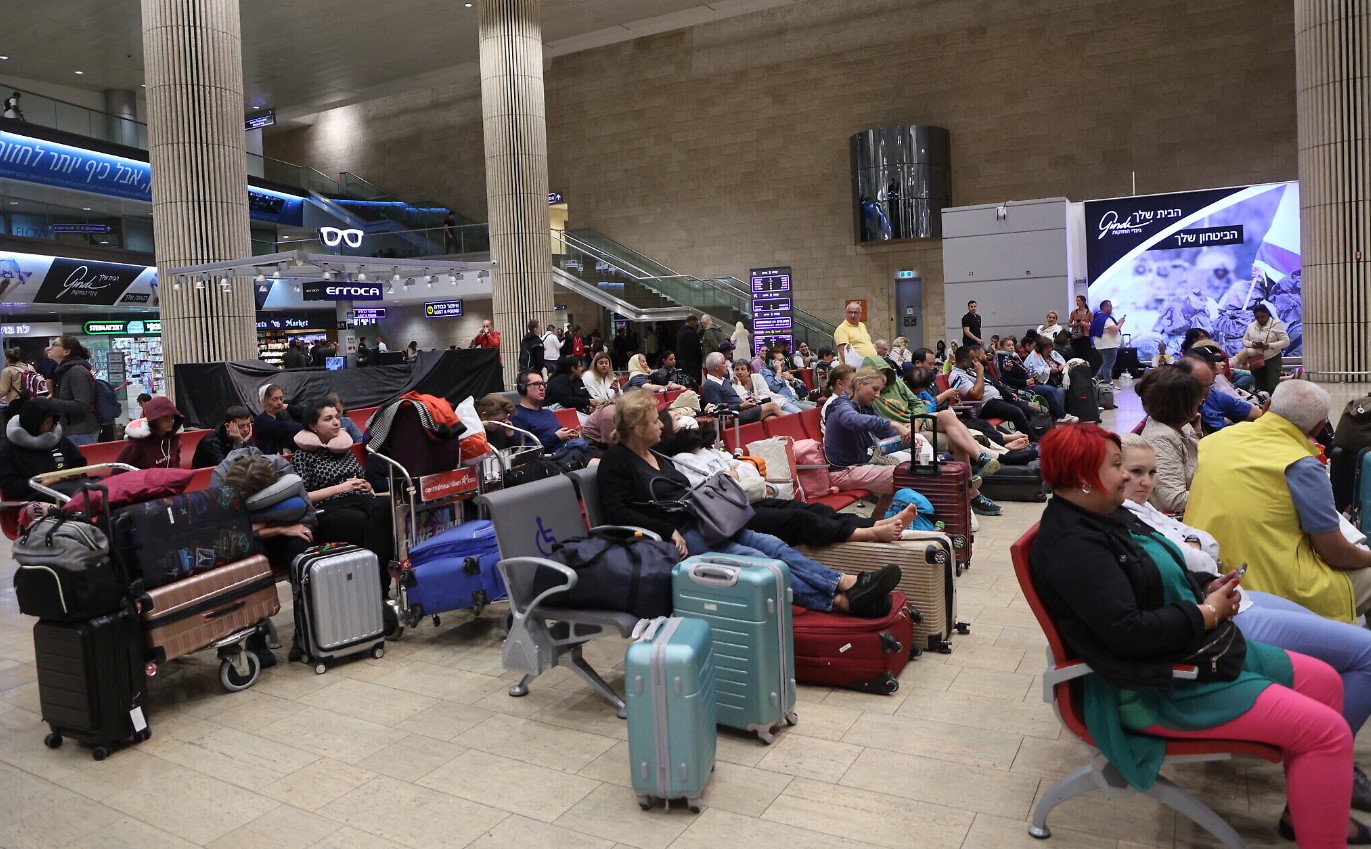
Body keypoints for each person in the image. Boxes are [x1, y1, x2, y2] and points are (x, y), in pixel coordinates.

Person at [1031, 423, 1361, 846]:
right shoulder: (1075, 544)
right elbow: (1129, 633)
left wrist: (1203, 589)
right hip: (1153, 687)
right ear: (1082, 478)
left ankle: (1311, 812)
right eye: (1117, 466)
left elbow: (1149, 579)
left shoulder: (1103, 515)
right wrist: (1207, 613)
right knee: (1328, 733)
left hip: (1187, 654)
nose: (1127, 476)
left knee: (1327, 682)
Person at [1120, 432, 1371, 811]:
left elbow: (1202, 543)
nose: (1146, 482)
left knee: (1345, 648)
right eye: (1134, 472)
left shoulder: (1148, 503)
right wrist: (1196, 552)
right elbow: (1193, 556)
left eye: (1151, 473)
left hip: (1229, 599)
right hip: (1219, 617)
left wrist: (1196, 550)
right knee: (1365, 652)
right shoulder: (1120, 517)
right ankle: (1333, 769)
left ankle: (1324, 765)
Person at [597, 391, 901, 617]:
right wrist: (667, 530)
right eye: (654, 422)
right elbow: (617, 512)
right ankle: (838, 601)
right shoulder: (616, 461)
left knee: (773, 546)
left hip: (703, 522)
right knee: (762, 562)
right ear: (638, 428)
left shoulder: (656, 455)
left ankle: (847, 582)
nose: (661, 427)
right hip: (679, 537)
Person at [1189, 379, 1371, 625]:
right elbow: (1335, 553)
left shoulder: (1214, 442)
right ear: (1318, 427)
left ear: (1266, 406)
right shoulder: (1302, 464)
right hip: (1265, 589)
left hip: (1206, 575)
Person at [658, 415, 915, 545]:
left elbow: (748, 471)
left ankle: (874, 523)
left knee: (815, 509)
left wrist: (734, 475)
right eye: (678, 418)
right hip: (734, 513)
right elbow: (719, 488)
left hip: (750, 499)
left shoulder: (708, 450)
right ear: (672, 432)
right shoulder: (682, 460)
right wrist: (736, 474)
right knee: (799, 518)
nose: (688, 418)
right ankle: (866, 534)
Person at [291, 399, 393, 593]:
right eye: (328, 419)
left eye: (336, 417)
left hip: (361, 499)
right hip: (328, 508)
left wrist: (367, 485)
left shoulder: (345, 451)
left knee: (386, 505)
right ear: (313, 426)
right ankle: (377, 584)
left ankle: (375, 581)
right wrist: (340, 488)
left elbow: (362, 480)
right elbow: (303, 497)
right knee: (362, 522)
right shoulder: (302, 457)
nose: (336, 422)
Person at [1135, 366, 1204, 514]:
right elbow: (1174, 500)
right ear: (1180, 405)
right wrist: (1222, 491)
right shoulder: (1160, 439)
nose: (1200, 402)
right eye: (1195, 399)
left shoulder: (1182, 425)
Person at [0, 398, 85, 501]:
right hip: (36, 497)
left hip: (70, 487)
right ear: (32, 422)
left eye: (50, 422)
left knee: (96, 488)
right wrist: (43, 482)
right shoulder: (9, 450)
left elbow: (79, 463)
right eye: (43, 423)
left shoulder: (59, 441)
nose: (47, 427)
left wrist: (74, 474)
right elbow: (9, 487)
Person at [946, 345, 1033, 437]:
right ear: (964, 361)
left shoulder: (969, 370)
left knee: (1027, 410)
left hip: (996, 399)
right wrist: (980, 372)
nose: (976, 360)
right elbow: (977, 395)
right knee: (1016, 412)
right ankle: (1032, 441)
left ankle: (1034, 437)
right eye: (973, 358)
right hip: (984, 405)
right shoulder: (956, 376)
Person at [1176, 350, 1261, 434]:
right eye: (1212, 367)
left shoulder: (1214, 395)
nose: (1217, 371)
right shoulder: (1175, 410)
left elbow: (1257, 413)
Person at [509, 370, 588, 459]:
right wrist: (556, 437)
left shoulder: (548, 413)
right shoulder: (518, 416)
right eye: (536, 384)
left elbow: (559, 435)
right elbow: (522, 450)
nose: (542, 388)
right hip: (551, 459)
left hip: (569, 451)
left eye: (543, 384)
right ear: (522, 388)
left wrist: (570, 434)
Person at [996, 337, 1068, 421]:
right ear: (1001, 347)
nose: (1011, 347)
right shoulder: (1004, 360)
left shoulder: (1013, 357)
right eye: (1008, 345)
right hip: (1019, 389)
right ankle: (1061, 416)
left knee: (1055, 390)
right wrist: (1025, 382)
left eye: (1012, 345)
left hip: (1027, 384)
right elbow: (1007, 380)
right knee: (1048, 390)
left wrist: (1030, 378)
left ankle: (1056, 417)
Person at [45, 336, 100, 446]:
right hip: (72, 430)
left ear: (66, 351)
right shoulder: (64, 370)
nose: (49, 348)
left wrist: (52, 402)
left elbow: (83, 404)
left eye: (54, 345)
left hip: (81, 432)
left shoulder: (76, 371)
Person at [702, 352, 780, 423]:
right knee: (772, 406)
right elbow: (717, 410)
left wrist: (744, 401)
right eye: (723, 363)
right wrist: (740, 406)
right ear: (716, 367)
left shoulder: (725, 381)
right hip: (734, 415)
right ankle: (788, 426)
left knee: (771, 418)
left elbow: (733, 399)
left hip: (742, 410)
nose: (726, 366)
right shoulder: (710, 385)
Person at [117, 396, 184, 470]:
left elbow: (176, 466)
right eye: (165, 417)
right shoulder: (137, 442)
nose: (171, 421)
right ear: (155, 420)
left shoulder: (174, 439)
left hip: (169, 476)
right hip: (142, 477)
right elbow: (119, 468)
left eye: (173, 417)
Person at [1241, 303, 1290, 395]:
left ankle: (1273, 403)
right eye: (1257, 317)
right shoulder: (1251, 326)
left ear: (1267, 314)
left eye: (1262, 317)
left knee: (1271, 386)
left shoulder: (1276, 325)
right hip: (1256, 359)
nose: (1260, 319)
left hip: (1272, 359)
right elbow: (1244, 341)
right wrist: (1252, 344)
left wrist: (1269, 345)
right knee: (1258, 386)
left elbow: (1286, 342)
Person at [254, 384, 304, 454]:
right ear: (264, 401)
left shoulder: (283, 416)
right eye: (275, 399)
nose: (280, 402)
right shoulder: (261, 420)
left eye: (281, 399)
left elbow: (305, 414)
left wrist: (288, 407)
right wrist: (306, 426)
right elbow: (283, 427)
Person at [1089, 299, 1125, 383]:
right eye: (1110, 306)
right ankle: (1109, 382)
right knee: (1108, 365)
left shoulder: (1097, 317)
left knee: (1106, 362)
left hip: (1101, 344)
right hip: (1109, 345)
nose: (1112, 308)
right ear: (1105, 307)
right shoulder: (1106, 319)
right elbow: (1114, 330)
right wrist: (1121, 322)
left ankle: (1097, 377)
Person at [1067, 294, 1093, 361]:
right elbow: (1069, 324)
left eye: (1078, 300)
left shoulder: (1089, 313)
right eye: (1076, 300)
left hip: (1085, 335)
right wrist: (1076, 324)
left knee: (1086, 355)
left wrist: (1086, 324)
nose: (1077, 302)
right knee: (1075, 354)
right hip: (1076, 335)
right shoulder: (1074, 312)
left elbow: (1093, 324)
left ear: (1083, 302)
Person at [676, 315, 702, 379]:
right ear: (692, 322)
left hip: (684, 361)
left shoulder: (681, 330)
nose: (696, 326)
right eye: (696, 324)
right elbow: (695, 348)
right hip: (692, 363)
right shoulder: (689, 333)